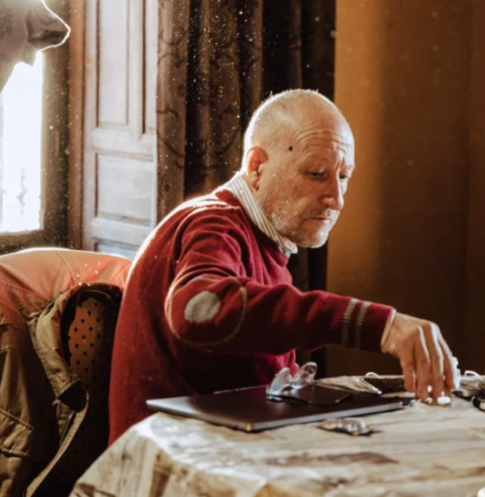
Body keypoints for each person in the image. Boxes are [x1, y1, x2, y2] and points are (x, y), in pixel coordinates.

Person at [109, 89, 457, 443]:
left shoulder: (264, 239)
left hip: (222, 448)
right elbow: (198, 309)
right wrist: (378, 325)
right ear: (257, 166)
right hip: (169, 467)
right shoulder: (212, 224)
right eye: (317, 173)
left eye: (343, 176)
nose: (336, 199)